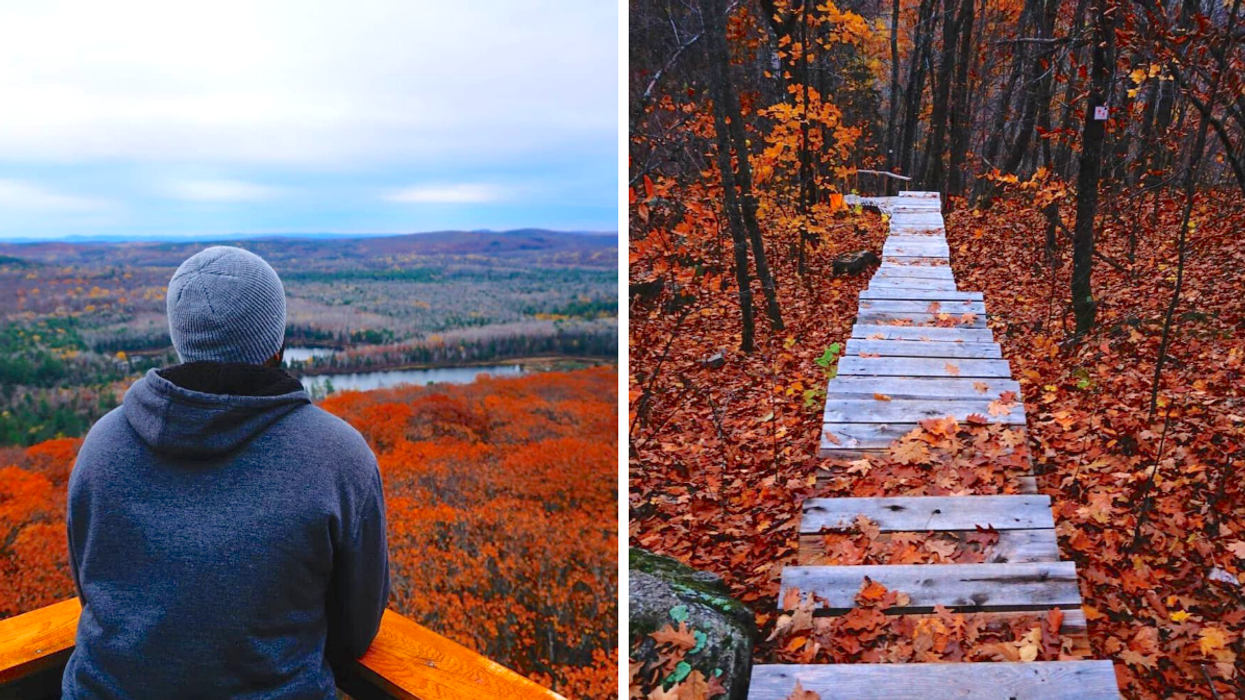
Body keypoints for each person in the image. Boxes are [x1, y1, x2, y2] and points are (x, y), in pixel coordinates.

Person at [63, 246, 389, 699]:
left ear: (182, 337)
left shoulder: (103, 444)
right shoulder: (338, 456)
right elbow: (356, 629)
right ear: (275, 339)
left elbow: (93, 593)